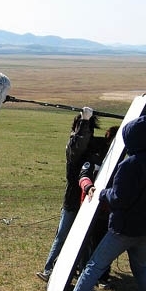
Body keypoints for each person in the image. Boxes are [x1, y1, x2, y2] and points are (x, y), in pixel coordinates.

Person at [45, 114, 146, 291]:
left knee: (94, 266)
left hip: (123, 229)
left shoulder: (129, 166)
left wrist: (101, 193)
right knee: (142, 268)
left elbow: (118, 199)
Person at [37, 107, 99, 282]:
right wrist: (85, 121)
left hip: (85, 198)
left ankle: (82, 273)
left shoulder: (89, 144)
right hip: (75, 198)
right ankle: (50, 270)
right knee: (64, 235)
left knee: (83, 238)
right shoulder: (75, 144)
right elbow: (78, 144)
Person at [76, 126, 119, 288]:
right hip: (88, 208)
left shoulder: (121, 162)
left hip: (107, 211)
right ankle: (83, 273)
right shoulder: (94, 158)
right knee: (85, 244)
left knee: (103, 244)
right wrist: (88, 187)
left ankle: (103, 275)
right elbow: (83, 175)